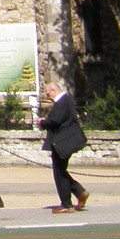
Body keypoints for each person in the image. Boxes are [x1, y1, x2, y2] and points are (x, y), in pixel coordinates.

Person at [37, 81, 89, 213]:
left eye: (48, 94)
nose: (48, 97)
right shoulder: (64, 102)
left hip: (63, 143)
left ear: (54, 91)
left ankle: (67, 204)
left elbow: (56, 120)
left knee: (59, 173)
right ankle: (79, 192)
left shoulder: (63, 102)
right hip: (61, 142)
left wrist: (43, 122)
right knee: (61, 171)